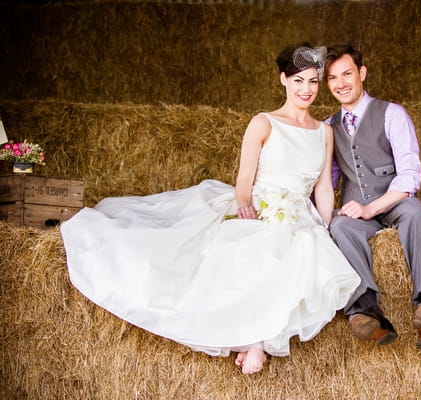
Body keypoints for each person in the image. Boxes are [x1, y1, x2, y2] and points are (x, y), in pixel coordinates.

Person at [60, 43, 360, 375]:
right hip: (261, 203)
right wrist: (245, 205)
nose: (307, 89)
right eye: (299, 80)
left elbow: (322, 187)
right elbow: (245, 178)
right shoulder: (263, 123)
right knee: (250, 245)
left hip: (300, 213)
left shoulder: (325, 131)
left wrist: (326, 226)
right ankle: (254, 341)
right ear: (283, 80)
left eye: (313, 82)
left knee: (303, 246)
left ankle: (255, 340)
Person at [324, 43, 421, 352]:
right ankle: (365, 309)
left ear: (362, 73)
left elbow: (410, 174)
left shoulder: (392, 114)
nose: (341, 83)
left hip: (393, 201)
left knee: (416, 211)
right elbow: (327, 180)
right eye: (333, 78)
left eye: (347, 73)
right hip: (357, 207)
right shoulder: (328, 127)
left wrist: (372, 207)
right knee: (339, 228)